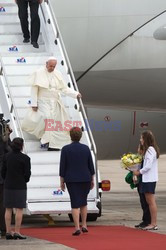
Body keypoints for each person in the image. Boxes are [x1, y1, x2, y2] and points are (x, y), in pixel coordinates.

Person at [22, 57, 81, 151]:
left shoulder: (57, 74)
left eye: (54, 66)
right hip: (43, 101)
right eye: (50, 66)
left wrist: (76, 94)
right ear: (46, 64)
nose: (52, 68)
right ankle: (45, 140)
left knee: (57, 121)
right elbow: (34, 89)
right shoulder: (39, 73)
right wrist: (34, 103)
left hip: (55, 101)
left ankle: (53, 144)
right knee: (47, 117)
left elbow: (64, 89)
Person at [59, 127, 95, 236]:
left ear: (70, 136)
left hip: (72, 179)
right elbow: (90, 165)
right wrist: (92, 179)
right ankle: (84, 225)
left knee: (74, 203)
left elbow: (62, 167)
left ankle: (77, 227)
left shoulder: (65, 149)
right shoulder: (86, 148)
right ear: (80, 136)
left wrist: (62, 181)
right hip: (85, 178)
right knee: (83, 202)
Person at [1, 137, 31, 240]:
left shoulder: (6, 157)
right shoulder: (25, 158)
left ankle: (8, 231)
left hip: (8, 185)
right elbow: (27, 174)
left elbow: (3, 172)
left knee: (8, 209)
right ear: (21, 146)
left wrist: (7, 179)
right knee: (19, 209)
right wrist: (24, 180)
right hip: (20, 185)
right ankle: (17, 231)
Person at [133, 130, 159, 230]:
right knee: (148, 201)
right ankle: (151, 222)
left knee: (151, 201)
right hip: (146, 179)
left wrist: (139, 172)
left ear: (145, 139)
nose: (140, 140)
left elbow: (148, 166)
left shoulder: (150, 150)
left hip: (149, 179)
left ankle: (153, 223)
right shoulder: (148, 150)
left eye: (141, 138)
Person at [134, 143, 151, 229]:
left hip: (144, 180)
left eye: (139, 148)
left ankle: (148, 221)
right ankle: (145, 220)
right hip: (140, 181)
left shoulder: (145, 159)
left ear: (142, 150)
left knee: (145, 201)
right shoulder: (139, 159)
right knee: (142, 202)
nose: (138, 150)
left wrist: (138, 172)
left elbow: (145, 169)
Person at [0, 123, 12, 238]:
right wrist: (7, 137)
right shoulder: (4, 140)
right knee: (3, 203)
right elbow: (10, 150)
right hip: (2, 177)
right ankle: (3, 228)